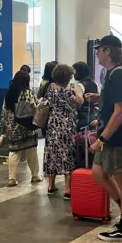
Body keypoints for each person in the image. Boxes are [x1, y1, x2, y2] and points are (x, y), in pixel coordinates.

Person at [86, 35, 122, 241]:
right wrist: (100, 98)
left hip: (119, 137)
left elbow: (121, 111)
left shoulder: (119, 75)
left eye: (99, 50)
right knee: (98, 172)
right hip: (111, 136)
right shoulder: (111, 74)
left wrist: (103, 138)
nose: (97, 54)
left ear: (108, 51)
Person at [43, 64, 84, 199]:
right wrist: (77, 91)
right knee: (67, 154)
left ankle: (51, 185)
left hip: (52, 125)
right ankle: (67, 189)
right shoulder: (68, 91)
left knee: (52, 153)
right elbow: (80, 101)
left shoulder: (50, 88)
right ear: (67, 77)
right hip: (66, 125)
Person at [0, 71, 42, 187]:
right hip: (26, 126)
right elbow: (34, 105)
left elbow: (4, 112)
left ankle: (11, 179)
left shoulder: (9, 93)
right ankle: (35, 175)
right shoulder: (27, 92)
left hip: (12, 127)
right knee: (31, 151)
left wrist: (4, 126)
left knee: (14, 152)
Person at [72, 61, 99, 129]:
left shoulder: (80, 85)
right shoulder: (95, 84)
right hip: (93, 115)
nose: (73, 74)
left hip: (82, 117)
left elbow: (79, 101)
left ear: (78, 72)